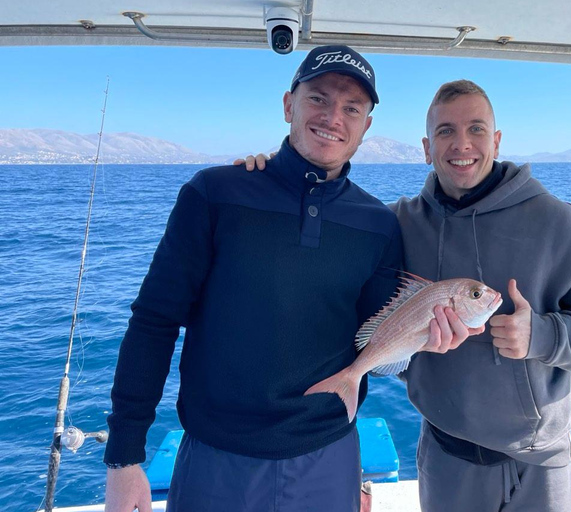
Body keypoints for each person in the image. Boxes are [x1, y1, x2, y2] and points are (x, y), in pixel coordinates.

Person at [243, 79, 571, 512]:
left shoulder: (554, 221)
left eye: (476, 129)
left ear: (497, 139)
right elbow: (326, 245)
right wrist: (275, 177)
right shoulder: (397, 223)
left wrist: (541, 336)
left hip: (541, 465)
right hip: (445, 458)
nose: (462, 144)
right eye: (446, 131)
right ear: (427, 148)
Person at [103, 45, 410, 512]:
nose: (333, 117)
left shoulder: (379, 225)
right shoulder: (215, 193)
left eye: (352, 108)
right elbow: (153, 322)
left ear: (366, 126)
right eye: (319, 99)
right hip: (215, 460)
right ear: (289, 104)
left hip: (330, 457)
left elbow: (378, 341)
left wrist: (436, 334)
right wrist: (124, 458)